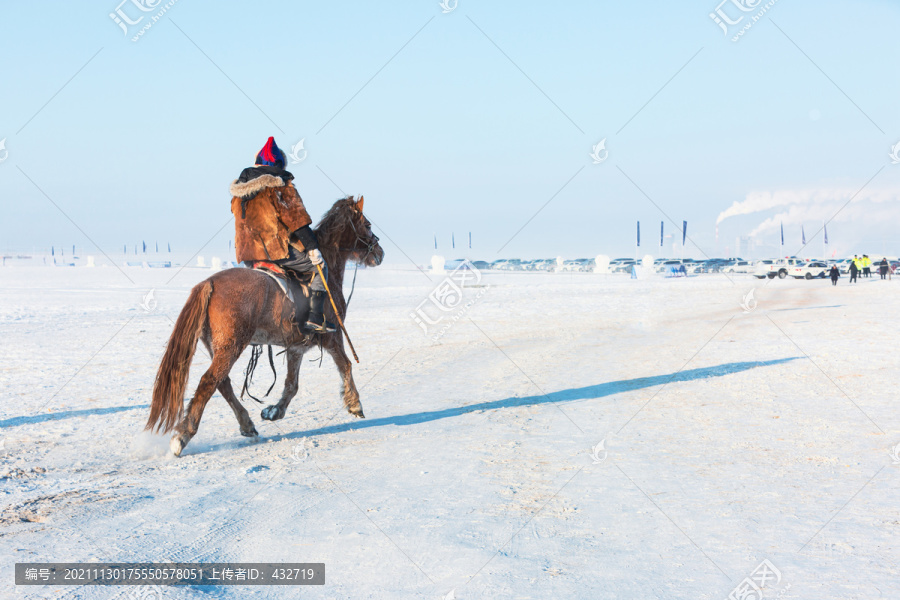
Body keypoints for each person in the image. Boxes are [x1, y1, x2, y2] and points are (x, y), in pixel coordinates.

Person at [230, 137, 335, 333]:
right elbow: (298, 221)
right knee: (319, 267)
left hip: (246, 255)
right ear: (279, 165)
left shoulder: (238, 193)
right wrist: (312, 248)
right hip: (274, 252)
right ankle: (315, 317)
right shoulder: (280, 187)